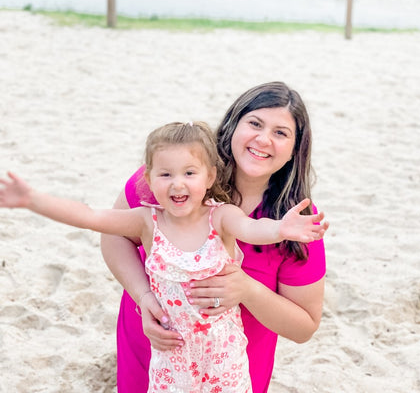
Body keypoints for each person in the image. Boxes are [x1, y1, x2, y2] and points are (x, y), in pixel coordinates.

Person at [0, 120, 327, 393]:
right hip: (172, 362)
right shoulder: (146, 221)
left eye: (189, 173)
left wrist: (281, 230)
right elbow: (89, 215)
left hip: (223, 358)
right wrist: (32, 200)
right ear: (149, 179)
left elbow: (255, 229)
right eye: (165, 174)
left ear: (209, 177)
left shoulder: (220, 217)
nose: (177, 184)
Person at [101, 82, 328, 393]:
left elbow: (304, 327)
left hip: (229, 370)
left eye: (281, 133)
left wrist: (248, 290)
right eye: (255, 123)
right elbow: (115, 237)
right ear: (234, 124)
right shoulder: (176, 174)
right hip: (155, 345)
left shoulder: (296, 221)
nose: (263, 139)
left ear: (294, 150)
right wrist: (144, 297)